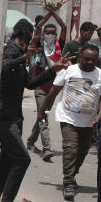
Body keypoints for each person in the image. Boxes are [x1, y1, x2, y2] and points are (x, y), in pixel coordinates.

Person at [0, 20, 66, 202]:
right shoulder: (10, 50)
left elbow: (30, 84)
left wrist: (52, 70)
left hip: (15, 118)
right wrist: (23, 57)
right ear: (24, 35)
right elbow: (0, 69)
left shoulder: (20, 55)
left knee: (7, 162)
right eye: (31, 35)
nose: (33, 40)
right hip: (3, 118)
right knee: (23, 159)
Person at [37, 44, 101, 201]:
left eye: (93, 60)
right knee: (71, 149)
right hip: (68, 118)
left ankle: (72, 175)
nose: (90, 62)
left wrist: (100, 113)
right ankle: (68, 183)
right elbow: (53, 92)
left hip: (89, 121)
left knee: (82, 152)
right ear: (80, 57)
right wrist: (42, 111)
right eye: (87, 59)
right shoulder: (68, 71)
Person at [27, 12, 67, 160]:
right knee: (43, 117)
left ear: (56, 35)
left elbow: (64, 26)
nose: (49, 35)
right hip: (39, 88)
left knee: (42, 115)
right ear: (44, 34)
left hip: (53, 89)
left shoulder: (59, 46)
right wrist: (48, 12)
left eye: (52, 33)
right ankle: (47, 148)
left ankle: (31, 141)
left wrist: (54, 12)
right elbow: (38, 26)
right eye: (47, 33)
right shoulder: (39, 45)